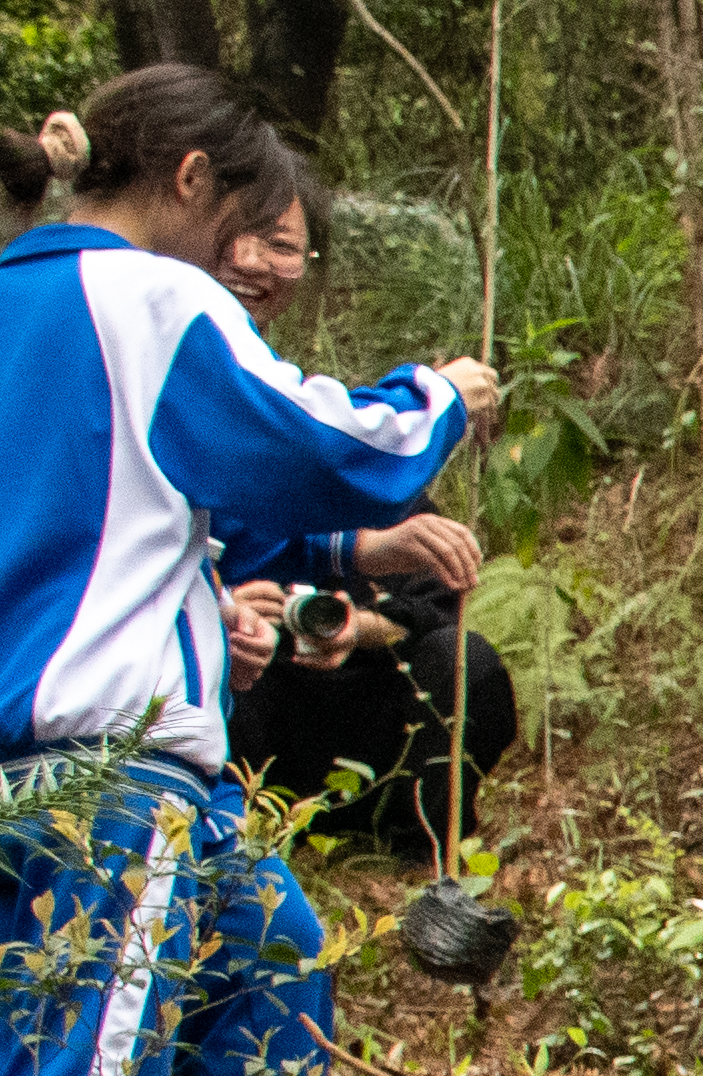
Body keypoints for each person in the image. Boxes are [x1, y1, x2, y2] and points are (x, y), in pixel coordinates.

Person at [0, 74, 492, 1076]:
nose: (245, 259)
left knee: (272, 959)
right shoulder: (150, 297)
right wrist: (437, 400)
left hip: (63, 769)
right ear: (189, 181)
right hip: (106, 773)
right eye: (245, 222)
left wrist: (347, 559)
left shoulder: (16, 303)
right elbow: (314, 439)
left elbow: (164, 496)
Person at [207, 183, 515, 867]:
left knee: (470, 665)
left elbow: (435, 617)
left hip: (367, 722)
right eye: (241, 238)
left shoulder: (386, 489)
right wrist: (227, 609)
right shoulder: (221, 418)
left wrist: (357, 624)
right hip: (248, 718)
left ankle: (419, 837)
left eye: (285, 245)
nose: (256, 262)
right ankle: (243, 842)